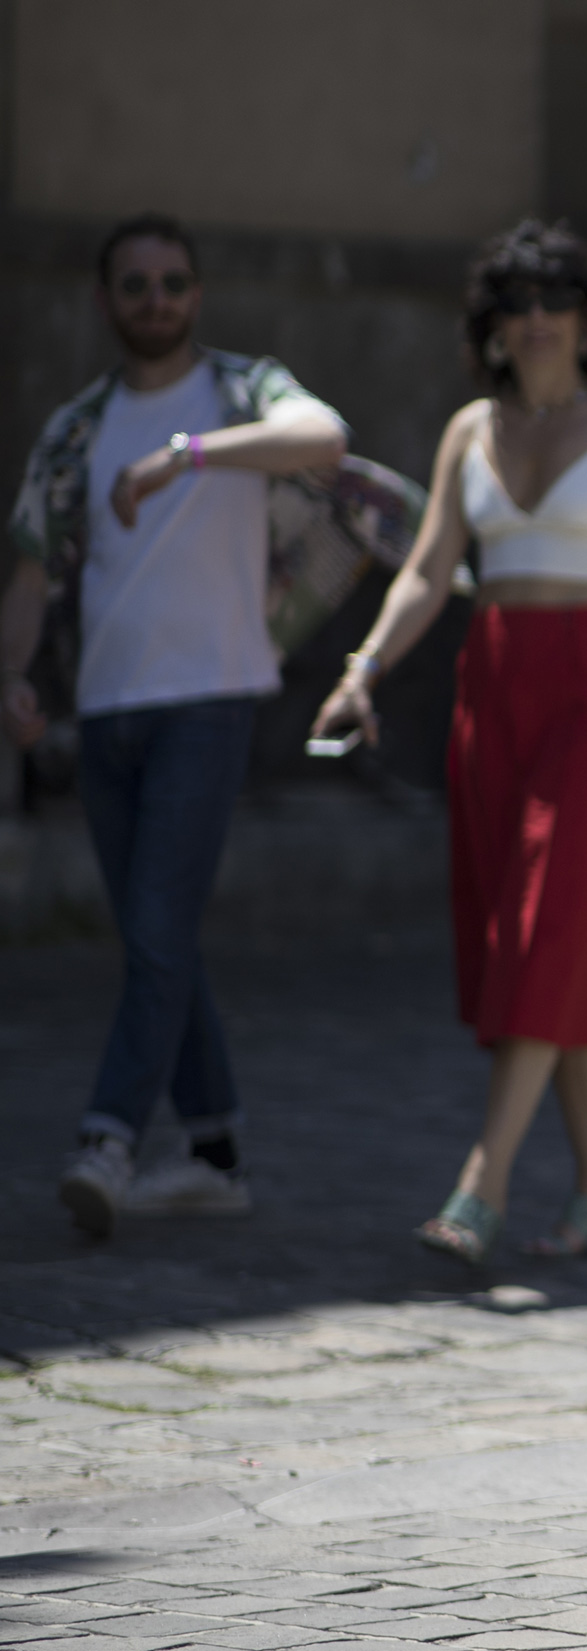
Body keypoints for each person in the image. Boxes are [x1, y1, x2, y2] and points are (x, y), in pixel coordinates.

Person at [309, 220, 587, 1266]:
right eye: (516, 307)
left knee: (546, 926)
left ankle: (479, 1182)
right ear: (491, 329)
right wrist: (361, 673)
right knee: (527, 933)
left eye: (555, 303)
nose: (536, 323)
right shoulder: (466, 430)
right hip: (489, 687)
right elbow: (426, 567)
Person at [2, 214, 349, 1237]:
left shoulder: (242, 393)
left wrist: (185, 456)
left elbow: (324, 438)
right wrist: (13, 679)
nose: (156, 299)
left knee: (155, 932)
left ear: (196, 295)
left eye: (173, 283)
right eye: (136, 284)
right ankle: (213, 1151)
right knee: (161, 938)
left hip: (210, 700)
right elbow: (29, 570)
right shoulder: (75, 428)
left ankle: (107, 1139)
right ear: (107, 301)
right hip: (107, 711)